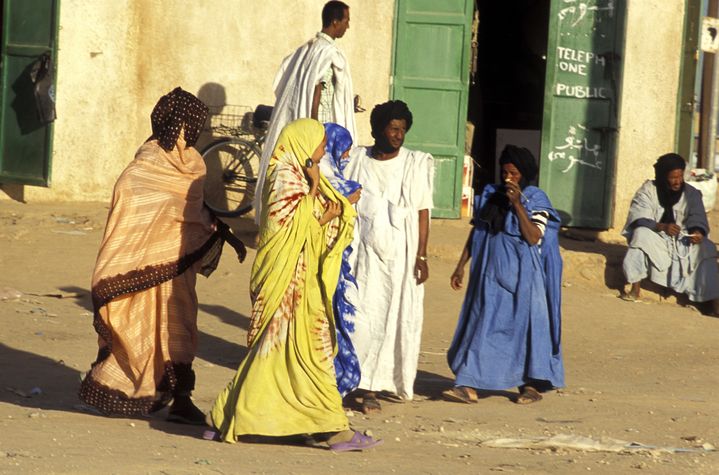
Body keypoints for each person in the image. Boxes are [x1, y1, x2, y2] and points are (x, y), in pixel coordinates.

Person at [210, 119, 381, 452]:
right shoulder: (284, 180)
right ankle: (334, 429)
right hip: (287, 285)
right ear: (302, 145)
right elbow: (285, 229)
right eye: (318, 148)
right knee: (309, 354)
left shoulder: (299, 176)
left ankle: (227, 416)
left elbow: (308, 227)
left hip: (303, 284)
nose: (320, 154)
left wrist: (326, 203)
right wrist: (317, 195)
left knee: (282, 357)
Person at [79, 88, 247, 424]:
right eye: (193, 125)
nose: (198, 132)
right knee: (137, 329)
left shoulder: (195, 164)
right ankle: (126, 388)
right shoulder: (145, 166)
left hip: (178, 269)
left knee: (180, 329)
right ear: (177, 124)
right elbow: (131, 207)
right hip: (140, 266)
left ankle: (181, 400)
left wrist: (219, 231)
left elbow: (193, 213)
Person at [444, 145, 564, 405]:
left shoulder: (536, 199)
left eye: (514, 173)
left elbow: (534, 237)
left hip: (523, 276)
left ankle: (530, 385)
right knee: (483, 323)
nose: (508, 178)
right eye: (505, 172)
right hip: (489, 274)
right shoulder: (491, 195)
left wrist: (518, 205)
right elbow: (478, 232)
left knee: (524, 329)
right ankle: (468, 382)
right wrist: (461, 265)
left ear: (525, 174)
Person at [344, 100, 434, 413]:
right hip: (361, 257)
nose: (398, 135)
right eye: (393, 128)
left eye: (402, 130)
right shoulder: (358, 159)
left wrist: (421, 256)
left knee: (389, 320)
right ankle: (349, 380)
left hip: (399, 258)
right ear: (379, 129)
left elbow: (423, 211)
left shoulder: (414, 164)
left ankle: (373, 387)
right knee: (357, 319)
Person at [254, 1, 356, 222]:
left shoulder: (307, 49)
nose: (348, 26)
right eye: (346, 21)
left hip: (310, 125)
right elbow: (315, 90)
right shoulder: (326, 52)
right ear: (335, 21)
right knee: (319, 176)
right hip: (319, 126)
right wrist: (314, 129)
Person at [621, 153, 719, 314]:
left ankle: (714, 305)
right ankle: (634, 290)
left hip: (683, 242)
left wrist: (697, 232)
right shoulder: (648, 190)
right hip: (657, 237)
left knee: (707, 248)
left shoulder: (691, 193)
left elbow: (698, 216)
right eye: (673, 177)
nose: (678, 181)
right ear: (663, 176)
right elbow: (639, 217)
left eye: (680, 176)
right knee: (641, 235)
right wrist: (661, 226)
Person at [319, 123, 362, 397]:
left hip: (336, 261)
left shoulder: (331, 170)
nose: (346, 157)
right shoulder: (321, 172)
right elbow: (332, 198)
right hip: (321, 261)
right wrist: (348, 196)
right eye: (344, 151)